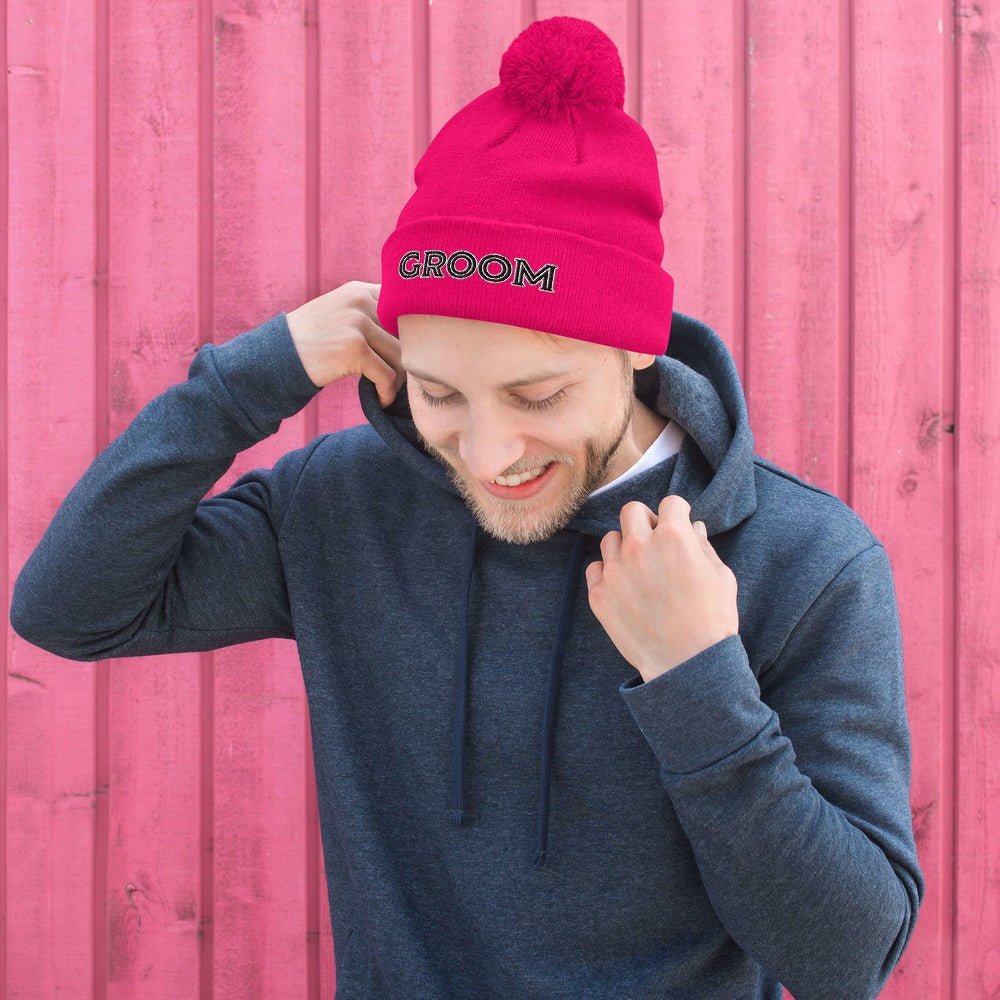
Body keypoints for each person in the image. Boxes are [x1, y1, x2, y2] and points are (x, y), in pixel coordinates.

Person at [9, 15, 924, 1000]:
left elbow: (847, 960)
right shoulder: (344, 504)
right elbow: (70, 609)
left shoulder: (801, 560)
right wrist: (247, 380)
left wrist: (698, 683)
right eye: (440, 394)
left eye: (538, 396)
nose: (487, 455)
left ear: (636, 346)